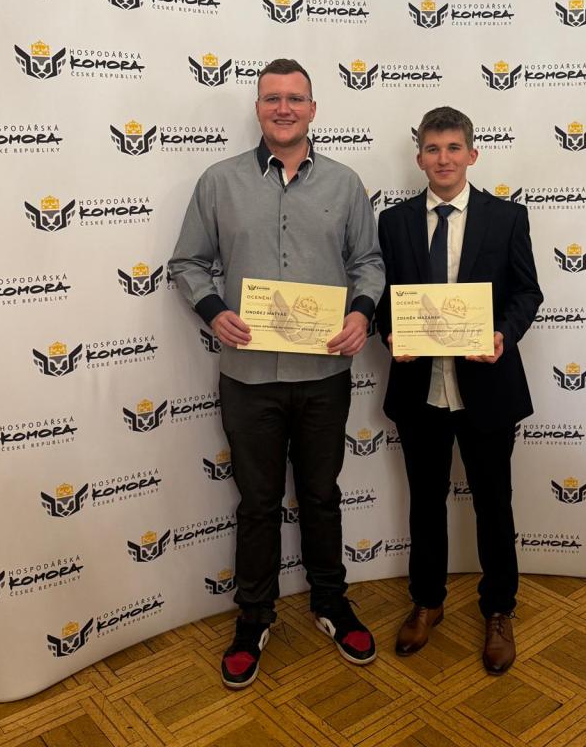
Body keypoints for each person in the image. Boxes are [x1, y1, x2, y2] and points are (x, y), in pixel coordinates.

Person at [169, 59, 385, 688]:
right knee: (259, 503)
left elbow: (369, 262)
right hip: (248, 377)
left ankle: (330, 602)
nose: (284, 109)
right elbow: (187, 262)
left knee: (321, 495)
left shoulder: (345, 183)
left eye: (295, 98)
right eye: (272, 99)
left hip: (323, 375)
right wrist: (213, 310)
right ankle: (254, 616)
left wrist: (362, 313)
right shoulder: (219, 182)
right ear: (258, 108)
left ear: (313, 109)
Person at [376, 106, 542, 675]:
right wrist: (389, 333)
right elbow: (381, 297)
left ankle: (498, 610)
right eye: (432, 148)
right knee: (425, 503)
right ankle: (427, 602)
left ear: (472, 154)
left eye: (453, 148)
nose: (442, 159)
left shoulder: (507, 217)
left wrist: (503, 334)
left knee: (495, 505)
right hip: (420, 389)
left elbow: (527, 292)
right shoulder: (393, 222)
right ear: (418, 157)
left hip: (487, 388)